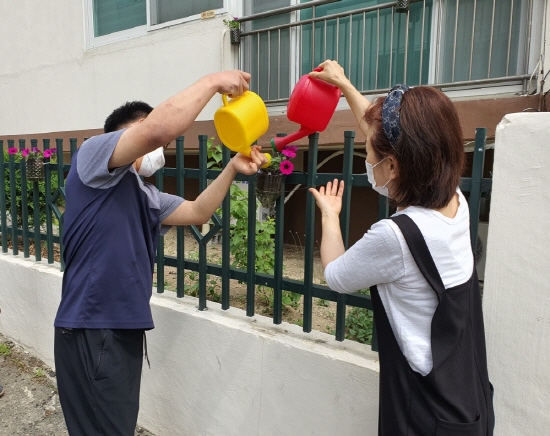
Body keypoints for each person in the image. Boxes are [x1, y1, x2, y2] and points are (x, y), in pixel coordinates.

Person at [53, 70, 267, 436]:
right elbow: (157, 130)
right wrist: (214, 82)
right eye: (148, 138)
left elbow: (198, 212)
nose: (159, 148)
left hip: (120, 328)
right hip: (93, 325)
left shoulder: (146, 195)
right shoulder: (92, 156)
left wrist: (233, 167)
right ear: (121, 138)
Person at [308, 60, 495, 436]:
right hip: (466, 401)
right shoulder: (455, 201)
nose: (367, 159)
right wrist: (343, 84)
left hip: (424, 413)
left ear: (393, 166)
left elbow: (337, 275)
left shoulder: (397, 236)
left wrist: (329, 216)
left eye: (369, 153)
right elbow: (384, 135)